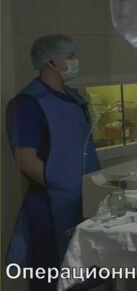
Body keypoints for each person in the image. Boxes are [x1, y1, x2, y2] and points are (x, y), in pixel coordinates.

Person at [5, 35, 101, 291]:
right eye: (70, 56)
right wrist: (65, 187)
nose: (75, 61)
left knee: (84, 275)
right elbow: (26, 162)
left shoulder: (74, 98)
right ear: (50, 61)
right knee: (53, 277)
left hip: (83, 201)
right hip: (51, 207)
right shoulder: (28, 104)